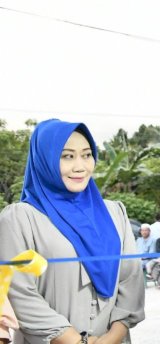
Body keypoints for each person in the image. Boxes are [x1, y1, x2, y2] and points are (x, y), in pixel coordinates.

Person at [0, 119, 145, 344]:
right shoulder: (20, 218)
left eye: (87, 155)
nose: (80, 166)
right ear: (44, 160)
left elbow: (131, 278)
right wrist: (73, 341)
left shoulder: (115, 212)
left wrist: (113, 337)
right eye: (67, 156)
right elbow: (18, 291)